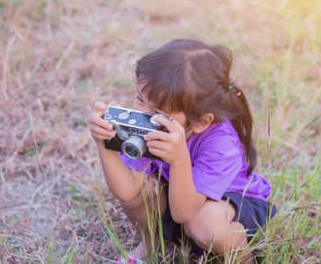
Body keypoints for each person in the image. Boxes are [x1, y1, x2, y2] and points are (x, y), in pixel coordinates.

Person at [88, 39, 276, 263]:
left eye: (158, 110)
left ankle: (243, 258)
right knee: (144, 189)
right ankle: (152, 244)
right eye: (139, 99)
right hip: (183, 200)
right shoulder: (152, 126)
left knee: (203, 224)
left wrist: (178, 161)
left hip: (232, 205)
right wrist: (105, 144)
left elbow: (184, 214)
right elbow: (128, 192)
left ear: (200, 121)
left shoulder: (222, 145)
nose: (143, 114)